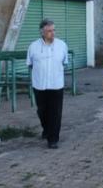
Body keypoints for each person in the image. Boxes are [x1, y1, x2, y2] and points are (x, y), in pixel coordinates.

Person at [27, 19, 68, 149]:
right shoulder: (33, 46)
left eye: (53, 30)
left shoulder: (62, 45)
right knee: (42, 111)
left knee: (55, 113)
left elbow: (64, 62)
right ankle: (47, 129)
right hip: (39, 85)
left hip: (56, 85)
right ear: (42, 32)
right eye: (49, 31)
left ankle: (53, 139)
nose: (52, 33)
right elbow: (30, 64)